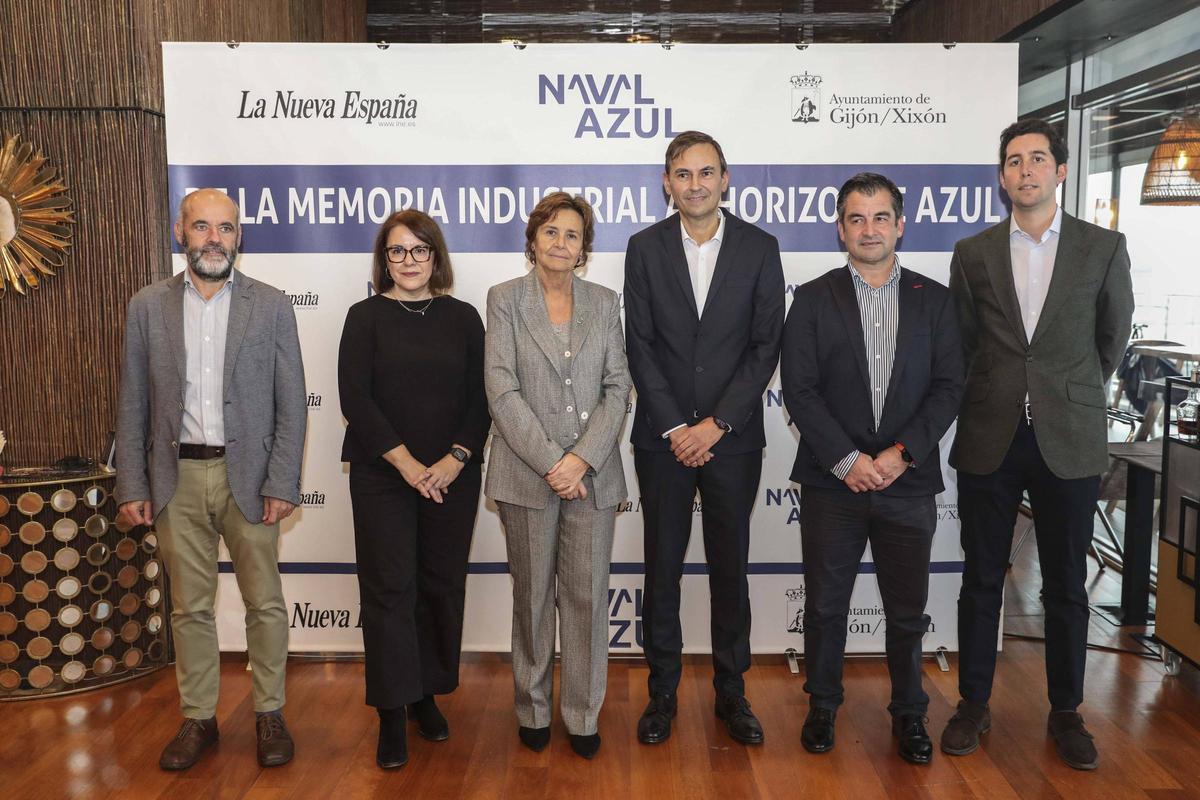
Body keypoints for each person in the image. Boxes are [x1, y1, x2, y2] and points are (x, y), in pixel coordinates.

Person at [942, 118, 1134, 771]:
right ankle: (972, 704)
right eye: (1014, 161)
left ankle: (1066, 712)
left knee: (1066, 588)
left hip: (1069, 438)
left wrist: (1066, 393)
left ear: (1058, 171)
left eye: (1037, 159)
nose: (1025, 170)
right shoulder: (973, 253)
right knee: (979, 580)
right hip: (990, 434)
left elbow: (1110, 341)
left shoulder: (1102, 248)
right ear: (1001, 177)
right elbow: (966, 344)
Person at [115, 188, 307, 770]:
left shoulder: (270, 305)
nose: (214, 239)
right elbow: (132, 403)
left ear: (239, 236)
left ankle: (269, 712)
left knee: (265, 602)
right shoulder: (147, 306)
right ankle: (198, 717)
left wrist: (282, 481)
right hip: (175, 479)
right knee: (189, 609)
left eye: (225, 228)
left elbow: (292, 404)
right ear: (181, 233)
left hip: (247, 477)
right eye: (202, 227)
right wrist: (132, 485)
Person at [781, 173, 964, 764]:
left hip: (907, 483)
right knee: (827, 604)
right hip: (832, 483)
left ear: (900, 224)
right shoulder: (811, 298)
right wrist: (847, 460)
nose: (868, 229)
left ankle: (910, 713)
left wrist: (898, 454)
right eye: (855, 219)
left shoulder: (935, 301)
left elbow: (947, 388)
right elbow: (800, 390)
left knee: (907, 610)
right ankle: (823, 705)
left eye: (880, 217)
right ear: (840, 229)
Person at [624, 130, 785, 746]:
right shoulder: (643, 248)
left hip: (732, 439)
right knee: (661, 567)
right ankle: (661, 691)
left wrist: (717, 423)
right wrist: (674, 426)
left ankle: (732, 692)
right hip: (661, 439)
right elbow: (639, 342)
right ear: (667, 182)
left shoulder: (760, 247)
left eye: (706, 172)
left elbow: (765, 344)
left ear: (725, 178)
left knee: (729, 568)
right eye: (683, 173)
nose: (695, 183)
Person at [337, 209, 490, 769]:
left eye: (419, 251)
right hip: (384, 476)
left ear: (435, 258)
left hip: (452, 476)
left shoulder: (465, 318)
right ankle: (391, 713)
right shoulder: (364, 317)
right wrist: (406, 465)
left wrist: (452, 461)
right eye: (397, 252)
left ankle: (426, 694)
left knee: (439, 586)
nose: (408, 261)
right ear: (384, 260)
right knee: (388, 591)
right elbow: (356, 399)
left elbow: (482, 400)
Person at [484, 192, 631, 759]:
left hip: (591, 478)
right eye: (551, 232)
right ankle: (533, 708)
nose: (561, 244)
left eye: (572, 235)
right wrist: (552, 461)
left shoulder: (603, 300)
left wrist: (581, 460)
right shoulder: (504, 300)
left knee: (588, 599)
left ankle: (583, 713)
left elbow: (618, 386)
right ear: (533, 240)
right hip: (526, 476)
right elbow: (501, 388)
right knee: (533, 598)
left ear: (584, 247)